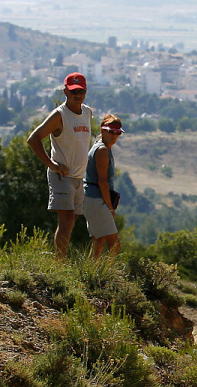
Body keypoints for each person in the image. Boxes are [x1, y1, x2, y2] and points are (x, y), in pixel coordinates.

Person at [27, 72, 94, 258]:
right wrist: (52, 165)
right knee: (65, 222)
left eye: (80, 91)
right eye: (73, 91)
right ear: (65, 91)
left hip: (78, 177)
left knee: (71, 220)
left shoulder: (87, 112)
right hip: (62, 176)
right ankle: (59, 266)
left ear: (86, 91)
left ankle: (60, 261)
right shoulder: (59, 115)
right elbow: (34, 139)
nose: (77, 95)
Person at [83, 114, 124, 259]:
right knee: (114, 243)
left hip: (90, 197)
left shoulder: (102, 146)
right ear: (103, 129)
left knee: (98, 240)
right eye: (111, 131)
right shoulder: (102, 150)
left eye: (117, 132)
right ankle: (107, 273)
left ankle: (92, 271)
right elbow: (102, 182)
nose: (114, 135)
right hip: (96, 199)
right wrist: (110, 207)